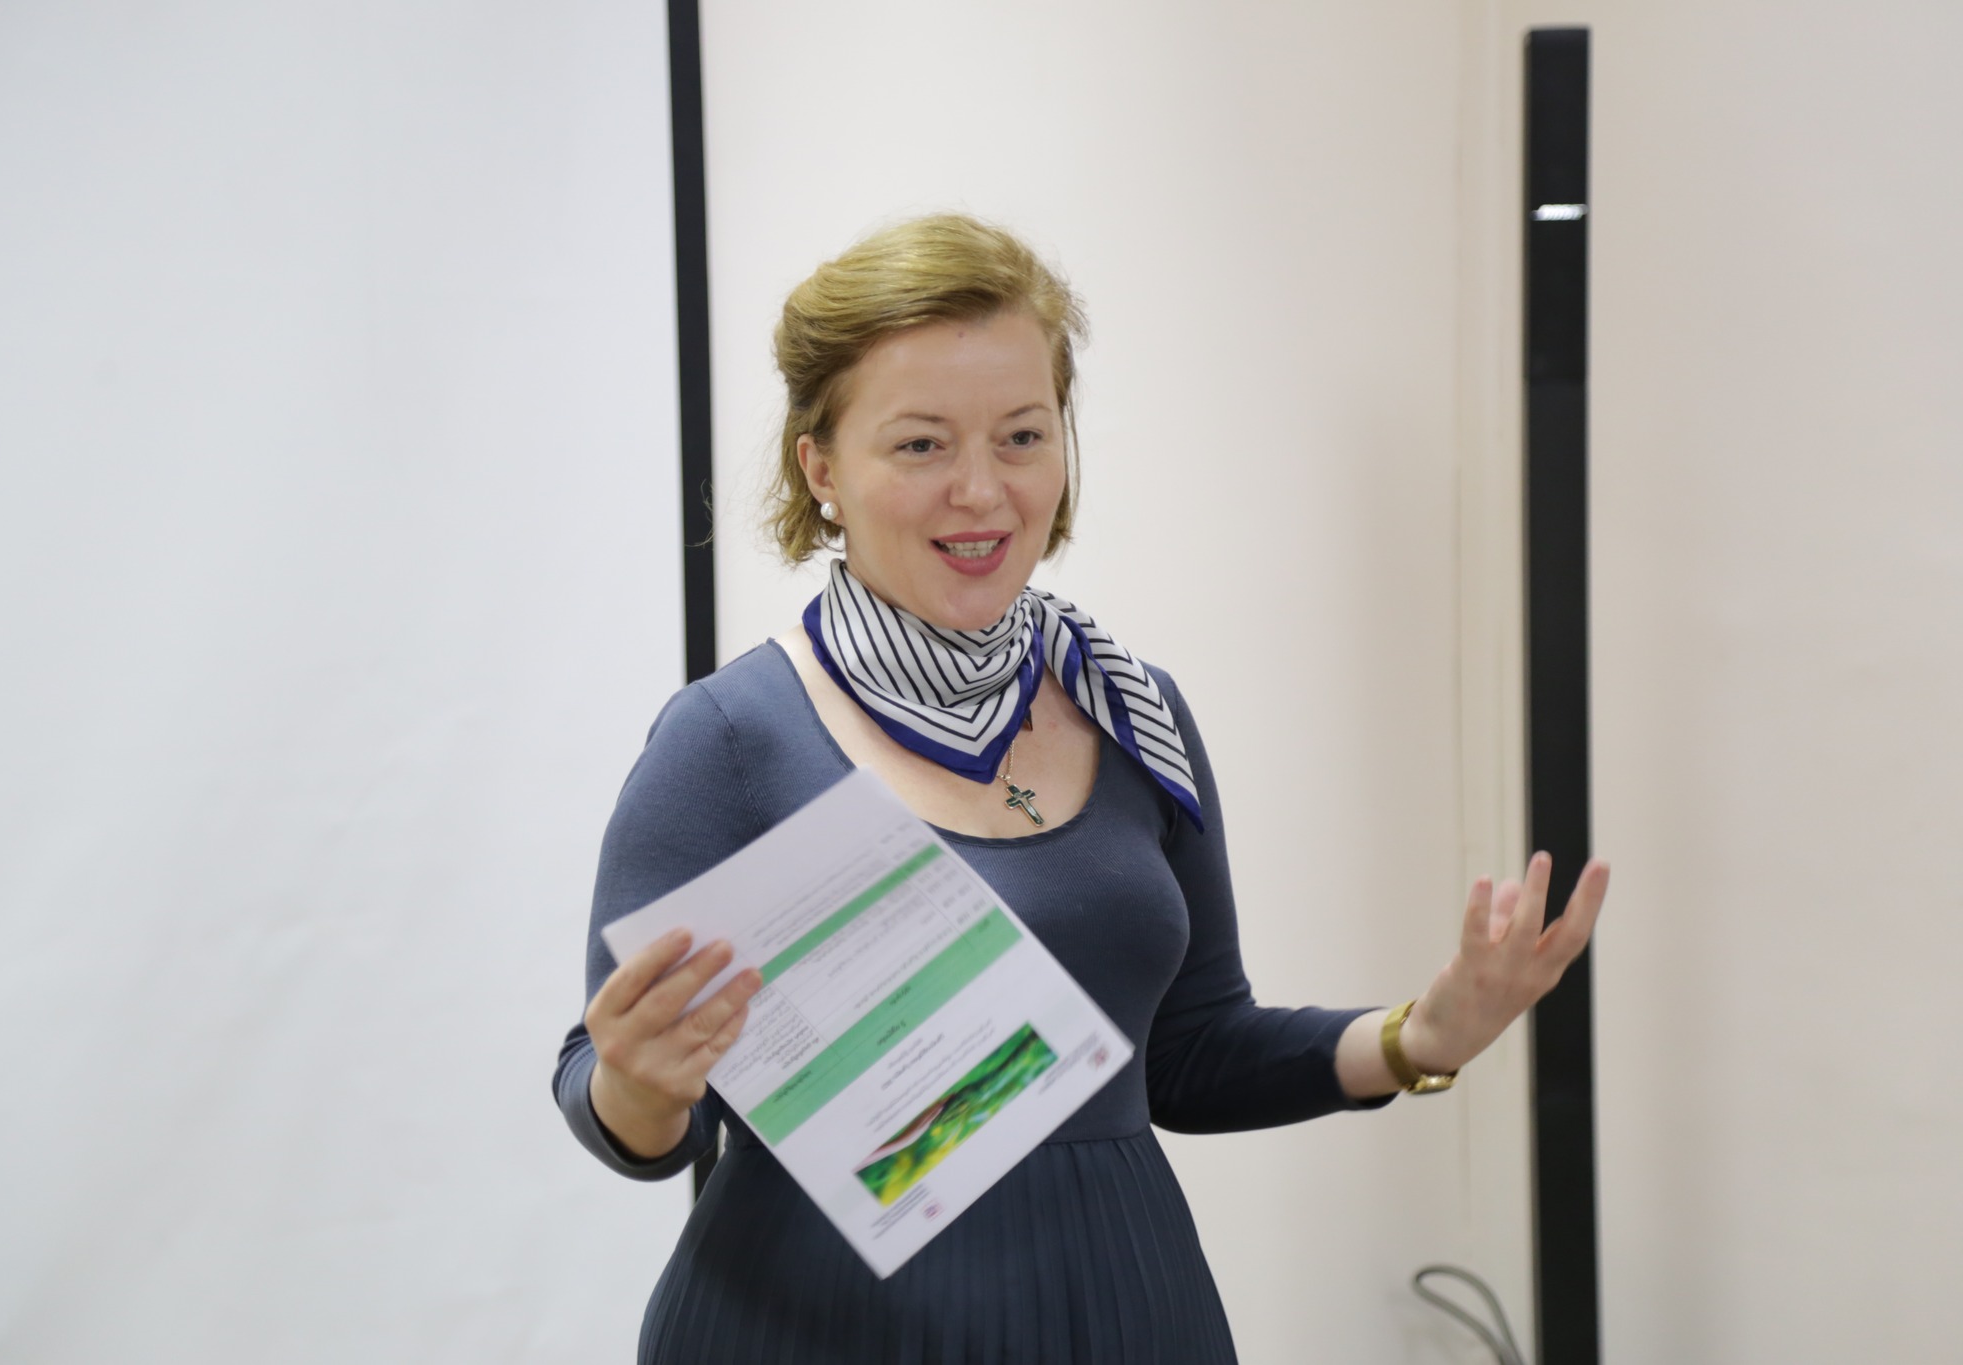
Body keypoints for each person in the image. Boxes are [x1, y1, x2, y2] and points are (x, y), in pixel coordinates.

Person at [551, 213, 1609, 1364]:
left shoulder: (1128, 707)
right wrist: (639, 1089)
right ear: (822, 470)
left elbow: (1188, 1054)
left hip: (1120, 1306)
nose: (980, 490)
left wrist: (1418, 1037)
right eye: (919, 445)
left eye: (1021, 436)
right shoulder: (730, 739)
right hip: (810, 1327)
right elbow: (615, 1098)